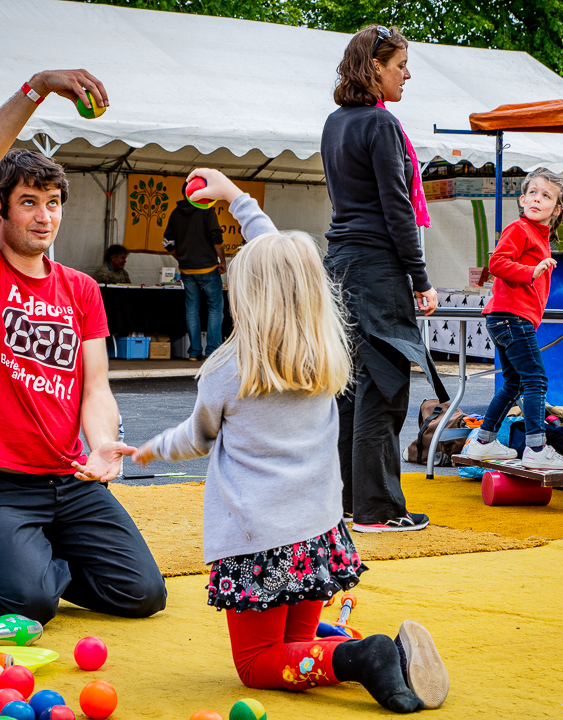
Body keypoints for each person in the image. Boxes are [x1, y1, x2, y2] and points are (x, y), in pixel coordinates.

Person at [135, 168, 449, 712]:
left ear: (244, 294)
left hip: (259, 542)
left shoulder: (230, 370)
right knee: (295, 645)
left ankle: (362, 657)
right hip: (318, 534)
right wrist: (237, 199)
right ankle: (373, 654)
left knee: (258, 665)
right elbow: (284, 262)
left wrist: (146, 449)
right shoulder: (325, 356)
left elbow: (197, 438)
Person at [0, 69, 166, 625]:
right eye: (29, 202)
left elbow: (95, 386)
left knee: (143, 594)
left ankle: (15, 556)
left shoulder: (81, 288)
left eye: (55, 203)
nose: (45, 217)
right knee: (32, 606)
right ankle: (1, 561)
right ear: (0, 208)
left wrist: (101, 447)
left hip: (66, 478)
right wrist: (38, 87)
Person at [321, 25, 448, 533]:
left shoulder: (334, 123)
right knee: (385, 386)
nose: (407, 73)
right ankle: (378, 510)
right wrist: (420, 278)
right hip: (376, 267)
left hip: (340, 265)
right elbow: (397, 209)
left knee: (350, 388)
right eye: (400, 65)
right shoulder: (381, 125)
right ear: (375, 67)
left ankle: (352, 504)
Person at [464, 169, 563, 470]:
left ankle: (483, 442)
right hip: (511, 317)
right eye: (532, 193)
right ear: (521, 198)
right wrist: (531, 272)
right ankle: (536, 448)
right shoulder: (520, 229)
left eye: (546, 196)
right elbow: (497, 262)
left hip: (507, 317)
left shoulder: (538, 236)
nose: (537, 199)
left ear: (557, 210)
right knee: (536, 379)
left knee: (514, 381)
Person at [162, 185, 225, 360]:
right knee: (215, 308)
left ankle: (194, 352)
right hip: (208, 268)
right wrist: (223, 261)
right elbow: (217, 237)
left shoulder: (176, 213)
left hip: (187, 269)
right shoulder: (207, 211)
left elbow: (167, 243)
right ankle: (212, 351)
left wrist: (180, 257)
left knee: (191, 310)